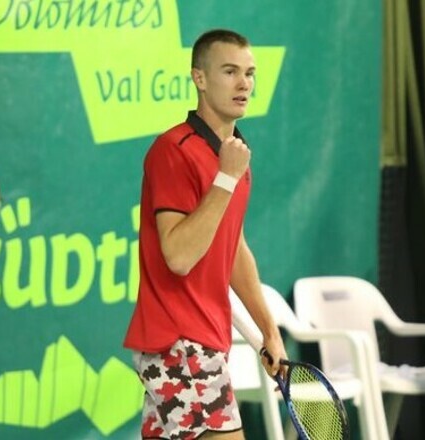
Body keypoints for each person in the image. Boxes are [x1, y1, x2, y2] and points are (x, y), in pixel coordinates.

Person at [124, 29, 287, 439]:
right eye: (230, 71)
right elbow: (179, 256)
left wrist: (269, 331)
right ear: (199, 78)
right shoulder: (173, 150)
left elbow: (234, 250)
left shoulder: (235, 157)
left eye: (249, 73)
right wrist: (225, 179)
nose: (243, 83)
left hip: (205, 339)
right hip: (179, 341)